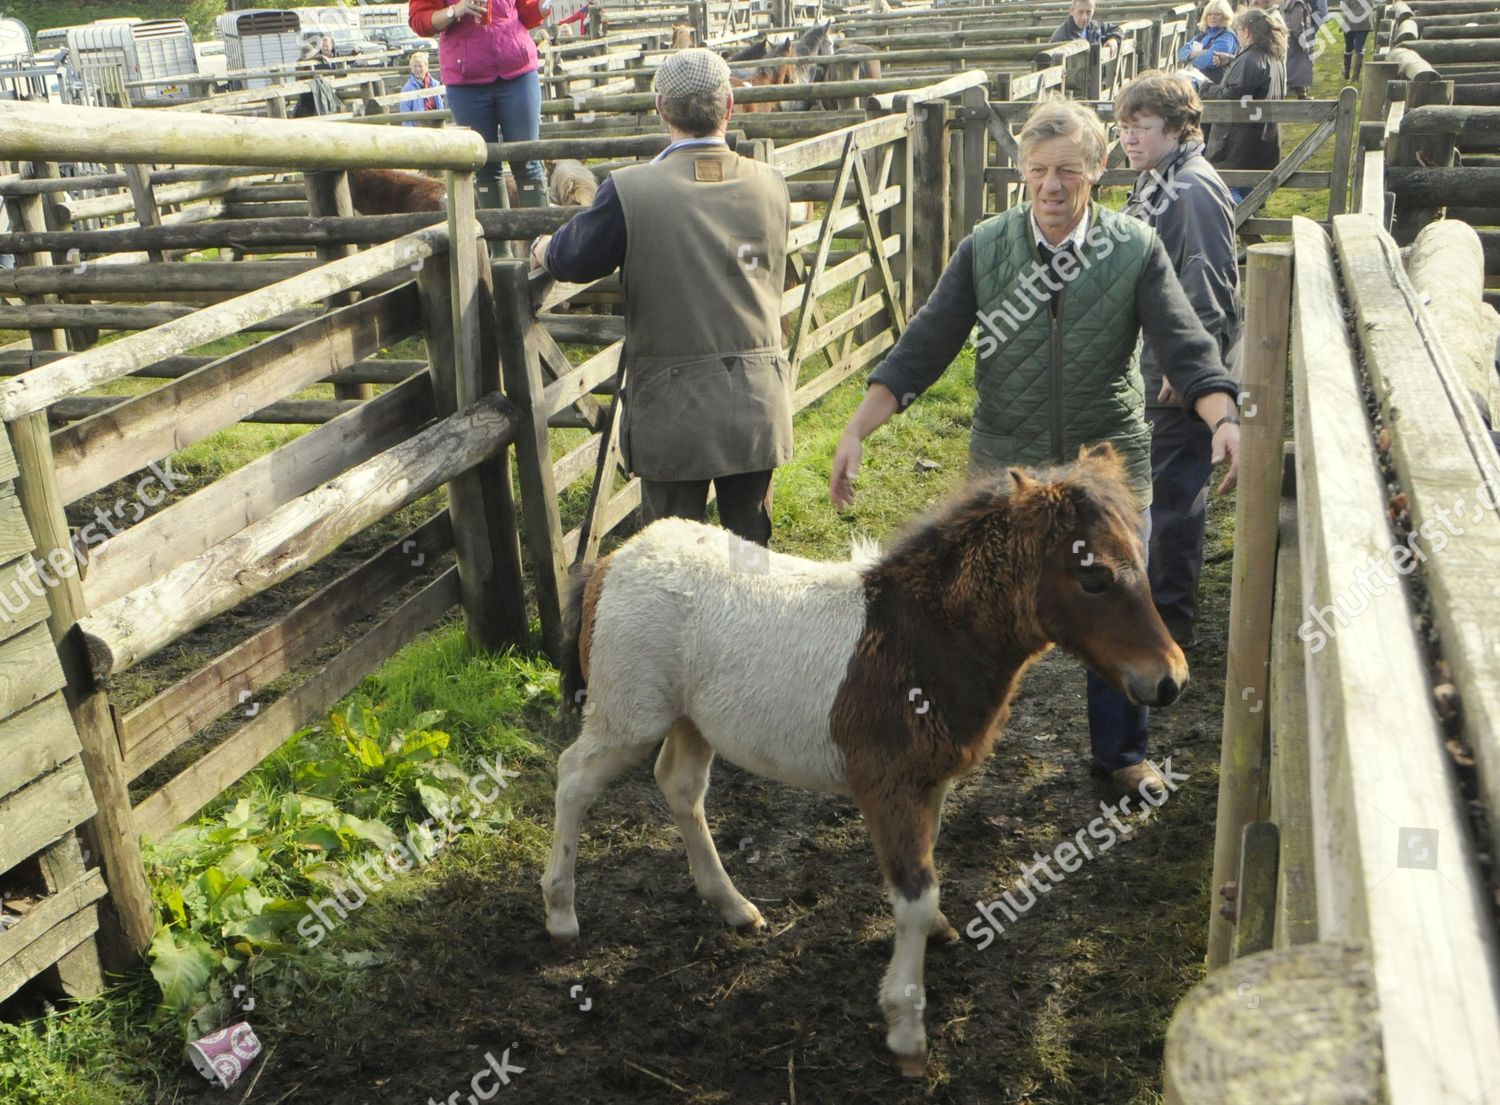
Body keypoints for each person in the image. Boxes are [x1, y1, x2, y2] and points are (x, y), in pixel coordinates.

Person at [828, 99, 1242, 799]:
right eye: (1039, 171)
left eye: (1069, 172)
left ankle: (1121, 755)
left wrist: (1223, 415)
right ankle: (949, 742)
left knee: (1118, 612)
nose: (1052, 186)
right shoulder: (987, 248)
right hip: (1006, 481)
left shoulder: (1134, 250)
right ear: (1023, 173)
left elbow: (1185, 342)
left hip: (1102, 477)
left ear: (1099, 170)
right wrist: (856, 428)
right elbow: (924, 345)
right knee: (972, 621)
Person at [533, 49, 793, 546]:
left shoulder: (630, 189)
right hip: (755, 401)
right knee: (752, 547)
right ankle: (756, 620)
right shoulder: (771, 185)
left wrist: (545, 248)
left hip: (673, 410)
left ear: (661, 108)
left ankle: (687, 626)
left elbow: (576, 258)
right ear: (730, 106)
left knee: (673, 555)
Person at [1116, 72, 1239, 648]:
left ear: (1175, 126)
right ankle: (1155, 614)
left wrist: (1186, 369)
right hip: (1156, 363)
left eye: (1141, 128)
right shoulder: (1158, 181)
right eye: (1123, 128)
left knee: (1172, 496)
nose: (1129, 140)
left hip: (1175, 375)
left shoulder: (1190, 189)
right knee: (1157, 487)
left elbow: (1208, 284)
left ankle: (1170, 626)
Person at [408, 0, 550, 207]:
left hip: (518, 72)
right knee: (484, 165)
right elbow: (419, 20)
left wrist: (545, 5)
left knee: (527, 160)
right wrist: (455, 10)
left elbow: (525, 13)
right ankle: (498, 237)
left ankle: (542, 236)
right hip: (467, 83)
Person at [1199, 7, 1287, 203]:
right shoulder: (1274, 56)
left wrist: (1203, 87)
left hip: (1239, 145)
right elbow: (1251, 86)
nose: (1237, 34)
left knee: (1230, 199)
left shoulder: (1250, 59)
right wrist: (1231, 61)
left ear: (1247, 31)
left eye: (1238, 30)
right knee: (1246, 199)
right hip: (1262, 139)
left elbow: (1231, 96)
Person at [1178, 0, 1237, 84]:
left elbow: (1208, 61)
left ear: (1225, 16)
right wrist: (1203, 52)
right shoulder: (1204, 33)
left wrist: (1190, 63)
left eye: (1217, 14)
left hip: (1214, 84)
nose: (1212, 17)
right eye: (1209, 14)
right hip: (1197, 78)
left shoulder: (1227, 36)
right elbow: (1181, 53)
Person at [398, 50, 446, 122]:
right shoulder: (407, 88)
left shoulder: (435, 84)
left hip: (437, 125)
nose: (417, 69)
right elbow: (405, 115)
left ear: (426, 67)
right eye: (414, 66)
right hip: (419, 127)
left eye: (420, 66)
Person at [1049, 0, 1123, 45]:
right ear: (1071, 11)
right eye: (1080, 12)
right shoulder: (1060, 36)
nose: (1084, 17)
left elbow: (1117, 29)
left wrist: (1114, 40)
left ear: (1093, 11)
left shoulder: (1095, 26)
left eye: (1088, 12)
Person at [1282, 0, 1314, 98]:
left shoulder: (1293, 2)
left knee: (1298, 67)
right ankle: (1300, 94)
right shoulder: (1297, 4)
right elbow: (1297, 26)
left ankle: (1302, 93)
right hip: (1295, 42)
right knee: (1298, 67)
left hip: (1291, 41)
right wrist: (1303, 43)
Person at [1339, 0, 1373, 82]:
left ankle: (1346, 71)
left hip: (1350, 23)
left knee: (1348, 47)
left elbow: (1343, 7)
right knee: (1359, 48)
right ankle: (1355, 76)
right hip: (1364, 23)